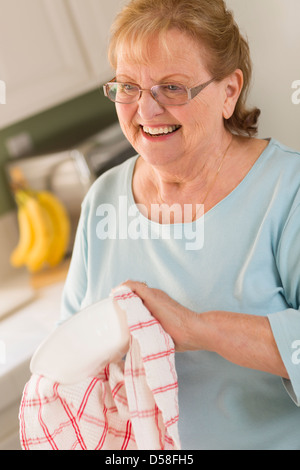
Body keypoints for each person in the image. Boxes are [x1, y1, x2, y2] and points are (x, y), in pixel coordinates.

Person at [61, 0, 300, 450]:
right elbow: (71, 350)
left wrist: (199, 329)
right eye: (128, 87)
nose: (146, 110)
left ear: (229, 91)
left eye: (172, 87)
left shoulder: (288, 192)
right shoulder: (104, 199)